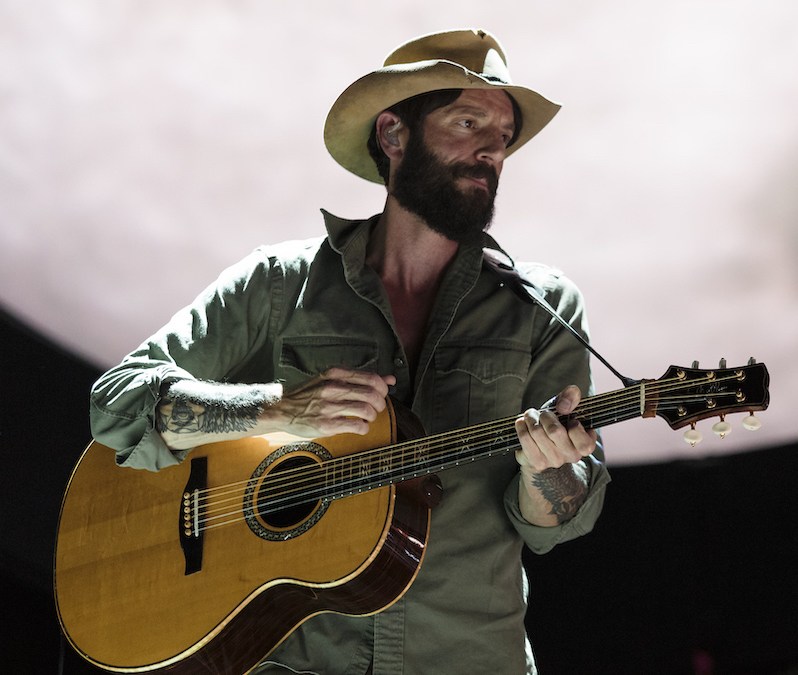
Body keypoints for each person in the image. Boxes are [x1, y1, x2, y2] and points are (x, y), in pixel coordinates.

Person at [89, 28, 610, 675]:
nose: (490, 151)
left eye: (502, 136)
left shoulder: (544, 307)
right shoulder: (279, 282)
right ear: (393, 135)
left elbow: (559, 522)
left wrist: (549, 472)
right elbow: (117, 405)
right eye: (468, 122)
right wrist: (278, 409)